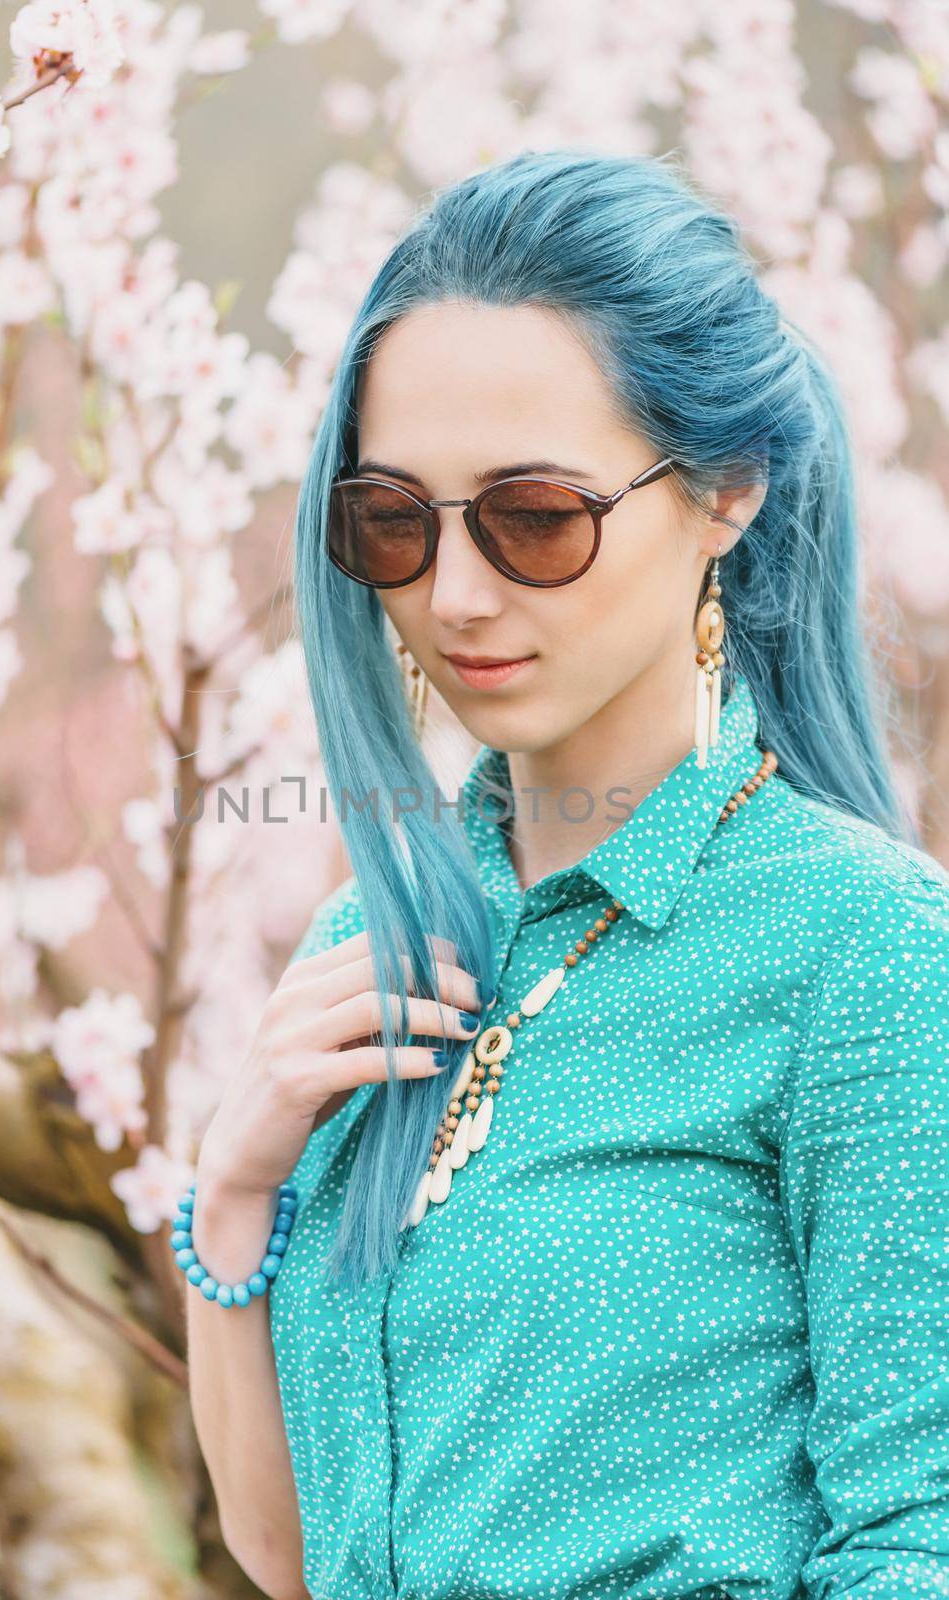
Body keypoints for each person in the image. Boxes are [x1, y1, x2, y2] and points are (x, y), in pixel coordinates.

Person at [184, 149, 949, 1600]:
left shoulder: (863, 950)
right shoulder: (373, 946)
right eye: (394, 522)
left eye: (534, 517)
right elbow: (289, 1559)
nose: (452, 595)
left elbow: (922, 1544)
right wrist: (236, 1187)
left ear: (722, 490)